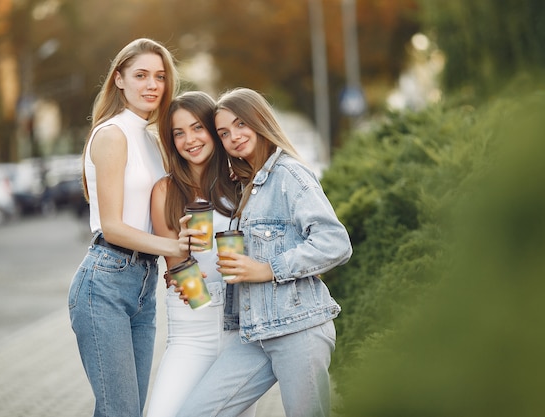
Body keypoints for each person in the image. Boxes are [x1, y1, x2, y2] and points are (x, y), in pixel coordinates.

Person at [176, 87, 352, 417]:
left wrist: (268, 269)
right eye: (224, 133)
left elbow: (336, 243)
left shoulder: (289, 175)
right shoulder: (248, 183)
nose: (234, 137)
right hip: (255, 333)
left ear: (260, 120)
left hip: (299, 329)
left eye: (241, 124)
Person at [68, 38, 189, 417]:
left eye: (159, 76)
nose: (152, 84)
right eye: (141, 75)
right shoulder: (112, 134)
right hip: (105, 281)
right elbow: (114, 227)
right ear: (119, 80)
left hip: (143, 281)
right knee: (119, 410)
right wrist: (176, 248)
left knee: (131, 410)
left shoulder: (153, 140)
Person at [147, 91, 256, 417]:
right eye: (178, 133)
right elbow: (177, 267)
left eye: (197, 128)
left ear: (213, 130)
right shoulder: (165, 191)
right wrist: (186, 270)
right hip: (191, 331)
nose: (189, 140)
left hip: (240, 333)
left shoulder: (242, 185)